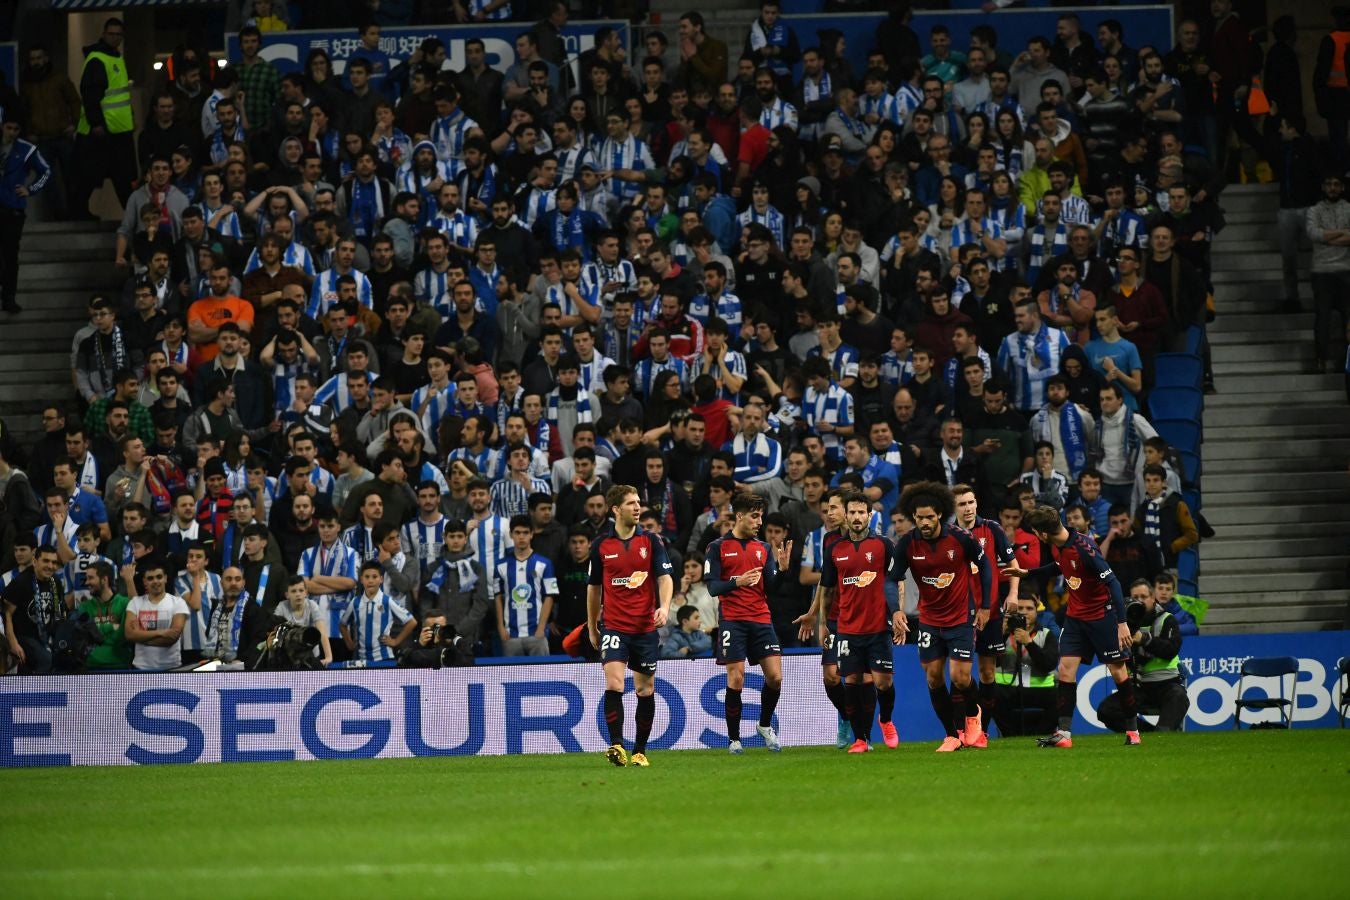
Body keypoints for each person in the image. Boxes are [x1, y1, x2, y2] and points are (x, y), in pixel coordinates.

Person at [1001, 505, 1142, 748]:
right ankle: (1064, 734)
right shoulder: (1060, 545)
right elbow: (1059, 566)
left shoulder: (1086, 548)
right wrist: (1027, 573)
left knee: (1119, 673)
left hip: (1102, 618)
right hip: (1076, 619)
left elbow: (1114, 583)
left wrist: (1121, 624)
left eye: (1036, 532)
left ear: (1043, 533)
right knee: (1066, 670)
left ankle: (1133, 731)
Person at [892, 481, 992, 752]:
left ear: (939, 514)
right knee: (934, 677)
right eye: (919, 517)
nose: (924, 522)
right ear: (914, 516)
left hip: (960, 616)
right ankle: (952, 735)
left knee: (960, 678)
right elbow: (891, 579)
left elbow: (985, 567)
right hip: (929, 619)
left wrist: (984, 606)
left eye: (929, 517)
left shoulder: (960, 538)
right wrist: (896, 609)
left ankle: (973, 714)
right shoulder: (906, 544)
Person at [587, 484, 675, 767]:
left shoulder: (651, 541)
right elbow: (594, 589)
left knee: (644, 690)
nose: (638, 507)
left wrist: (664, 606)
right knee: (613, 683)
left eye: (639, 502)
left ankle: (640, 751)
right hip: (614, 627)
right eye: (631, 503)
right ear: (616, 509)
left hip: (644, 629)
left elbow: (665, 578)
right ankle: (617, 746)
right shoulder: (601, 545)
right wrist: (592, 625)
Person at [704, 492, 792, 754]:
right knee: (736, 678)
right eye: (755, 516)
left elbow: (771, 586)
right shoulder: (717, 547)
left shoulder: (763, 548)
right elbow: (712, 588)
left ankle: (764, 725)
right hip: (733, 621)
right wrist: (736, 582)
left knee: (775, 678)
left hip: (761, 619)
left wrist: (783, 571)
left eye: (761, 516)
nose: (759, 521)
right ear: (739, 515)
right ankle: (734, 739)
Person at [818, 492, 902, 753]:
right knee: (851, 681)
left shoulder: (884, 545)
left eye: (860, 512)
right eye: (852, 512)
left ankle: (886, 720)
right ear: (847, 514)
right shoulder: (835, 549)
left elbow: (896, 581)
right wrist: (823, 623)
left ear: (869, 515)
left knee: (883, 682)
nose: (856, 517)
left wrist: (897, 614)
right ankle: (860, 739)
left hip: (878, 626)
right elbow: (828, 589)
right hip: (847, 628)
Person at [1097, 578, 1190, 732]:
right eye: (1135, 597)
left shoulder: (1167, 619)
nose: (1139, 601)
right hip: (1138, 687)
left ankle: (1163, 732)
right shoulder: (1122, 625)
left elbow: (1171, 650)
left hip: (1166, 685)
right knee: (1106, 711)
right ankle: (1149, 733)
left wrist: (1144, 639)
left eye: (1143, 597)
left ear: (1153, 597)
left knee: (1179, 697)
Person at [0, 111, 52, 315]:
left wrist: (30, 189)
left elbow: (46, 171)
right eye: (8, 127)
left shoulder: (27, 149)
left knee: (10, 255)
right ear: (2, 126)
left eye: (16, 129)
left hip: (13, 208)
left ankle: (9, 298)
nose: (12, 132)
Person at [992, 588, 1059, 737]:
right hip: (1008, 688)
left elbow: (1050, 664)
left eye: (1029, 608)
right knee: (989, 693)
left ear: (1037, 612)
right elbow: (991, 662)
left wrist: (1029, 643)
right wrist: (1000, 636)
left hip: (1040, 689)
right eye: (1020, 608)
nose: (1024, 612)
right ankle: (1009, 736)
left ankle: (1043, 734)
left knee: (1062, 696)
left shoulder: (1047, 634)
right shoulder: (1001, 633)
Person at [495, 514, 557, 656]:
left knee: (542, 677)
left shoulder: (545, 563)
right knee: (512, 677)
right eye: (517, 533)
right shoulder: (500, 566)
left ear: (531, 534)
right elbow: (498, 597)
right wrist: (501, 627)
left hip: (537, 633)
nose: (521, 537)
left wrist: (541, 628)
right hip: (511, 635)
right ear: (511, 534)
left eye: (525, 533)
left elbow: (550, 596)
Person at [2, 545, 67, 673]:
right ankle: (39, 691)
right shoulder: (21, 582)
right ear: (34, 561)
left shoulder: (55, 582)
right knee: (45, 660)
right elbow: (6, 613)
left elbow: (59, 611)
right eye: (46, 561)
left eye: (54, 562)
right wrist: (13, 643)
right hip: (24, 636)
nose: (50, 566)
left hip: (47, 636)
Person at [341, 560, 416, 665]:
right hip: (360, 660)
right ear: (361, 579)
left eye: (374, 577)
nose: (370, 581)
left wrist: (395, 641)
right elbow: (343, 624)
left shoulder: (387, 601)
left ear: (381, 579)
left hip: (384, 659)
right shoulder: (355, 602)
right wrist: (349, 643)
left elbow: (411, 622)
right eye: (367, 577)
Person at [123, 559, 190, 671]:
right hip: (141, 667)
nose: (155, 581)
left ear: (165, 578)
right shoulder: (135, 602)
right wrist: (162, 632)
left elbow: (172, 638)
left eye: (159, 577)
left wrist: (140, 636)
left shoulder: (178, 602)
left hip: (171, 667)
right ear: (145, 582)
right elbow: (129, 635)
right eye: (150, 578)